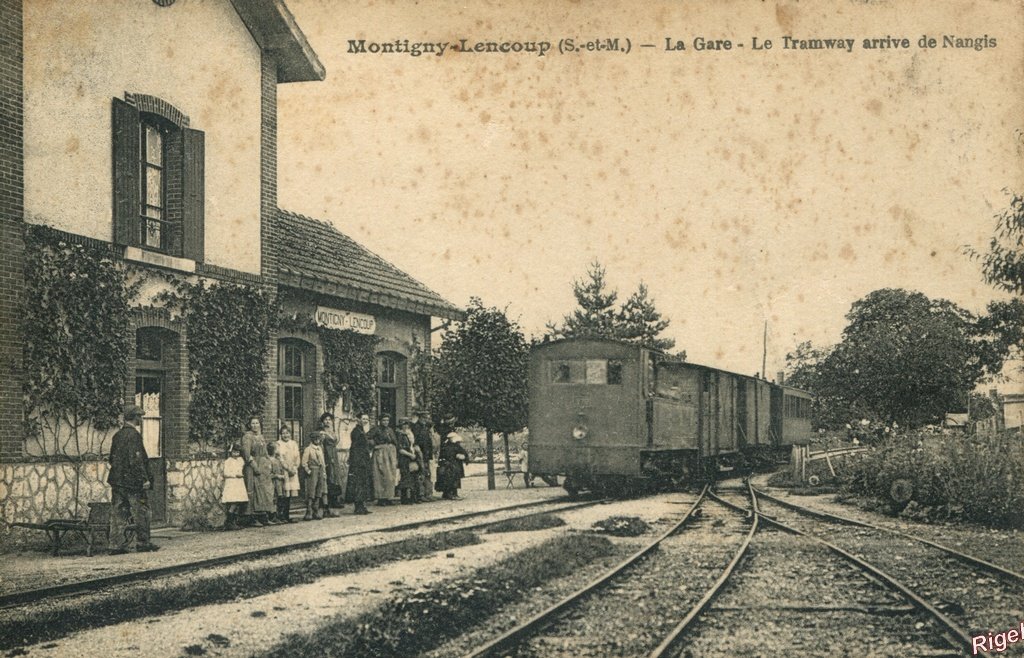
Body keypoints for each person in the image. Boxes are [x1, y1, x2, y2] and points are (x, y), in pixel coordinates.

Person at [107, 404, 158, 553]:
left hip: (117, 481)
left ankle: (115, 545)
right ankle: (143, 543)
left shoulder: (117, 435)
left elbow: (112, 458)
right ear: (134, 418)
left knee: (118, 513)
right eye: (139, 417)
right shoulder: (134, 436)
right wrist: (144, 479)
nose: (140, 419)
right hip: (133, 483)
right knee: (142, 512)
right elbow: (136, 460)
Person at [240, 416, 275, 527]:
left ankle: (263, 516)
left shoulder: (260, 436)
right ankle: (251, 518)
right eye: (253, 423)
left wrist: (269, 464)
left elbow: (265, 453)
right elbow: (247, 454)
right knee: (252, 490)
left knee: (263, 491)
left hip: (262, 467)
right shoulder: (247, 437)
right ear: (250, 425)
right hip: (252, 467)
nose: (255, 425)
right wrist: (254, 467)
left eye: (257, 423)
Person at [314, 413, 343, 517]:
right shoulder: (322, 432)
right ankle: (325, 507)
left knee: (335, 478)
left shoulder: (333, 431)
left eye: (329, 419)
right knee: (328, 479)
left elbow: (336, 441)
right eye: (325, 420)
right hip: (326, 454)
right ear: (322, 421)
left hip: (334, 455)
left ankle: (333, 506)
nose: (327, 421)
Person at [345, 413, 375, 515]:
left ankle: (362, 506)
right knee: (358, 483)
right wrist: (357, 460)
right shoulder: (356, 432)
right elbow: (355, 447)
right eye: (363, 419)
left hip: (364, 460)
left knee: (363, 483)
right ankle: (358, 507)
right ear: (358, 420)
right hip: (358, 461)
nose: (365, 421)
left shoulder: (362, 431)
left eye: (367, 419)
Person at [274, 426, 300, 523]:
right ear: (280, 435)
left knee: (289, 495)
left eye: (287, 433)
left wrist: (295, 467)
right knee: (283, 493)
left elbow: (297, 456)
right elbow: (280, 458)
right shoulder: (278, 444)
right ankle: (280, 516)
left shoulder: (293, 443)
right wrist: (288, 469)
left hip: (292, 471)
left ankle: (286, 515)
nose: (286, 435)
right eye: (283, 433)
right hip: (284, 471)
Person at [371, 414, 399, 506]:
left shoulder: (390, 430)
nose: (385, 422)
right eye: (384, 420)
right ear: (380, 421)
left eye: (387, 420)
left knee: (390, 475)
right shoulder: (376, 429)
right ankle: (381, 498)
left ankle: (389, 497)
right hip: (380, 454)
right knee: (381, 475)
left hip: (390, 454)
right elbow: (367, 438)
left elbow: (395, 441)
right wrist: (375, 445)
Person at [221, 442, 248, 530]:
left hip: (239, 483)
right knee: (233, 502)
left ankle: (234, 521)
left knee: (239, 502)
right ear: (230, 452)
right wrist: (235, 475)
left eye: (237, 452)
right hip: (232, 483)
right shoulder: (228, 461)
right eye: (234, 452)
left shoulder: (240, 460)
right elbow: (225, 473)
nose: (236, 454)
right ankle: (229, 522)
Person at [300, 430, 326, 520]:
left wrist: (323, 473)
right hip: (312, 471)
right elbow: (304, 462)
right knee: (311, 491)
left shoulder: (320, 449)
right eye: (315, 439)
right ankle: (309, 511)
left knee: (319, 490)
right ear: (312, 439)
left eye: (318, 439)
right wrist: (309, 471)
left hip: (320, 471)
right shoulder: (308, 449)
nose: (317, 440)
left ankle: (316, 510)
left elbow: (322, 462)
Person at [436, 432, 469, 500]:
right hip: (450, 465)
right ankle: (450, 494)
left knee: (453, 479)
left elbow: (464, 453)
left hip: (454, 465)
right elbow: (446, 456)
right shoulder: (447, 446)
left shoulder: (453, 445)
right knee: (450, 479)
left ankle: (451, 493)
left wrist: (463, 457)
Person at [395, 418, 420, 505]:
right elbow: (400, 449)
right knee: (405, 478)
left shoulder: (407, 434)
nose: (405, 426)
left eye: (407, 425)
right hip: (403, 458)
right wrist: (410, 455)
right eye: (404, 425)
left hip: (409, 457)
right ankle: (404, 499)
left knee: (410, 477)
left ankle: (410, 498)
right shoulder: (399, 435)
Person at [412, 410, 434, 501]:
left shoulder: (425, 428)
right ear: (420, 418)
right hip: (420, 453)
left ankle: (427, 493)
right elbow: (416, 441)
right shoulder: (416, 427)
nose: (426, 420)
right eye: (424, 418)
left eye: (427, 418)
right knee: (420, 474)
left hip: (426, 453)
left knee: (427, 473)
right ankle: (420, 495)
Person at [267, 441, 286, 524]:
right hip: (273, 483)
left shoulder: (278, 460)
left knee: (280, 498)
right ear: (274, 450)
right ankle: (272, 516)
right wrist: (277, 476)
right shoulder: (270, 460)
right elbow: (269, 474)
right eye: (278, 449)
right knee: (274, 499)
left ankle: (279, 515)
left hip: (280, 483)